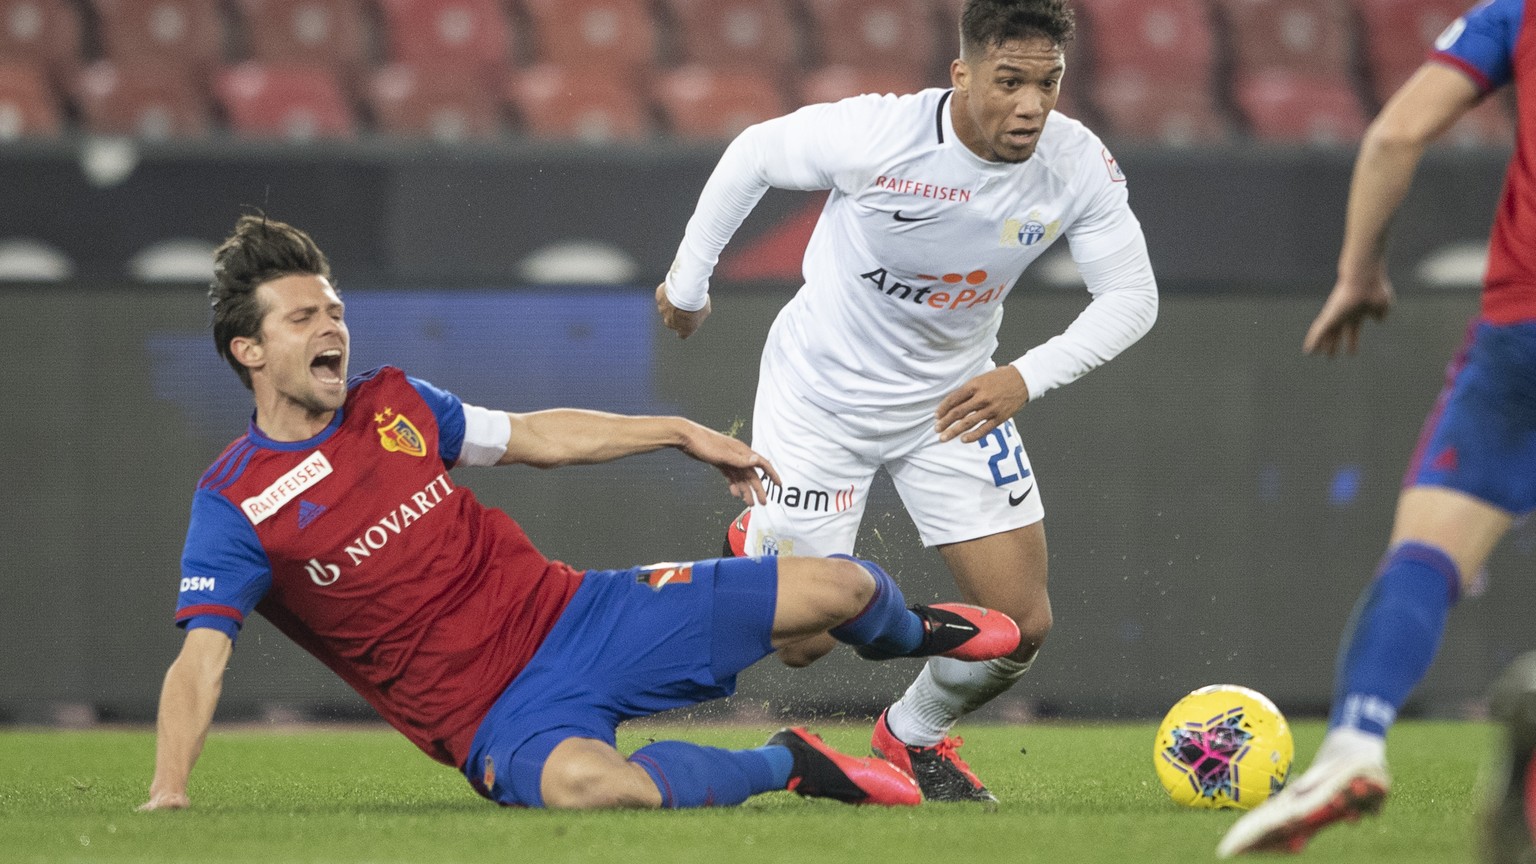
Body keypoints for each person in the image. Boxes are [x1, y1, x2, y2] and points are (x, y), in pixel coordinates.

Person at [138, 215, 1025, 813]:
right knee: (595, 791)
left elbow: (536, 436)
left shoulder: (396, 403)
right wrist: (168, 791)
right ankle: (789, 763)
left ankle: (905, 632)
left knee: (839, 586)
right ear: (249, 349)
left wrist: (680, 431)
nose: (332, 325)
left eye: (334, 308)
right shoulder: (234, 502)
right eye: (303, 318)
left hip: (579, 615)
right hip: (494, 717)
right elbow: (199, 662)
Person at [655, 0, 1157, 802]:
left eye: (1049, 82)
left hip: (953, 404)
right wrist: (688, 282)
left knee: (1021, 630)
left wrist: (1022, 377)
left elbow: (1132, 297)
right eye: (1011, 81)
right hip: (821, 396)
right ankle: (760, 536)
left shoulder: (1075, 163)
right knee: (801, 645)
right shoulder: (879, 135)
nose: (1032, 104)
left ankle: (910, 736)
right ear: (962, 75)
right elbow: (753, 153)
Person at [1218, 0, 1536, 855]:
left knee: (1429, 553)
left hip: (1522, 333)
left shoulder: (1515, 13)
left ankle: (1355, 743)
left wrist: (1359, 272)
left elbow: (1396, 134)